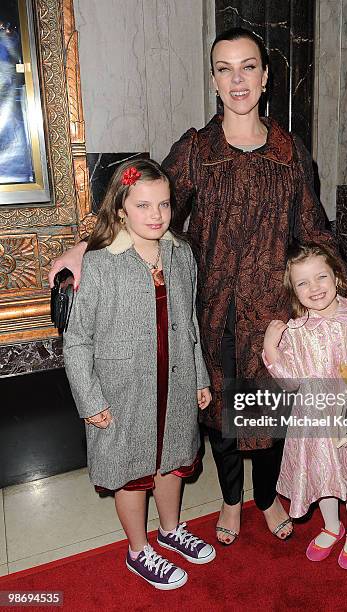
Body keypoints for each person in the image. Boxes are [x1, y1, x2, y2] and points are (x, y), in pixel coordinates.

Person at [50, 27, 347, 545]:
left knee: (271, 411)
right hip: (212, 310)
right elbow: (146, 203)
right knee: (224, 415)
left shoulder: (289, 152)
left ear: (265, 76)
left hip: (275, 313)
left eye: (248, 66)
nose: (238, 78)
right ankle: (231, 503)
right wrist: (83, 247)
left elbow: (315, 229)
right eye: (225, 68)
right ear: (214, 80)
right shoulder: (196, 150)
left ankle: (267, 500)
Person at [63, 159, 215, 590]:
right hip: (123, 391)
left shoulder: (180, 254)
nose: (156, 215)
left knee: (171, 460)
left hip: (176, 381)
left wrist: (200, 376)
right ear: (121, 209)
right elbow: (77, 342)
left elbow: (189, 323)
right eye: (143, 205)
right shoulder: (100, 264)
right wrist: (91, 401)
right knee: (132, 470)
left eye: (164, 205)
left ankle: (170, 530)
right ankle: (137, 549)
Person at [263, 242, 347, 569]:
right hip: (315, 419)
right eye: (303, 283)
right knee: (322, 475)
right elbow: (291, 381)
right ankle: (331, 525)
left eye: (320, 277)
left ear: (336, 277)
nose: (314, 288)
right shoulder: (295, 331)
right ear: (293, 290)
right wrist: (271, 346)